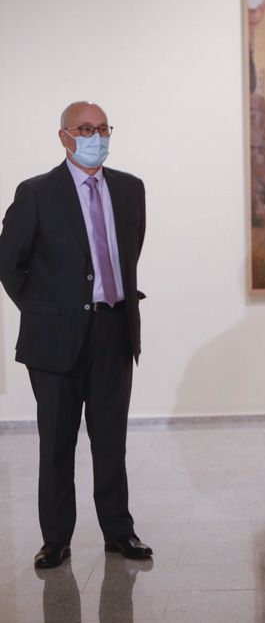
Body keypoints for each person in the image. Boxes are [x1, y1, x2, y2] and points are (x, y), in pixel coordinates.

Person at [0, 101, 152, 568]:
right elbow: (9, 262)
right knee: (57, 442)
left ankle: (118, 531)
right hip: (55, 339)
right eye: (86, 129)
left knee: (111, 439)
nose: (96, 137)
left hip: (113, 329)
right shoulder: (37, 192)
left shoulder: (129, 189)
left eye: (103, 128)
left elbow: (129, 252)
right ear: (64, 136)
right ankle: (57, 539)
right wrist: (45, 310)